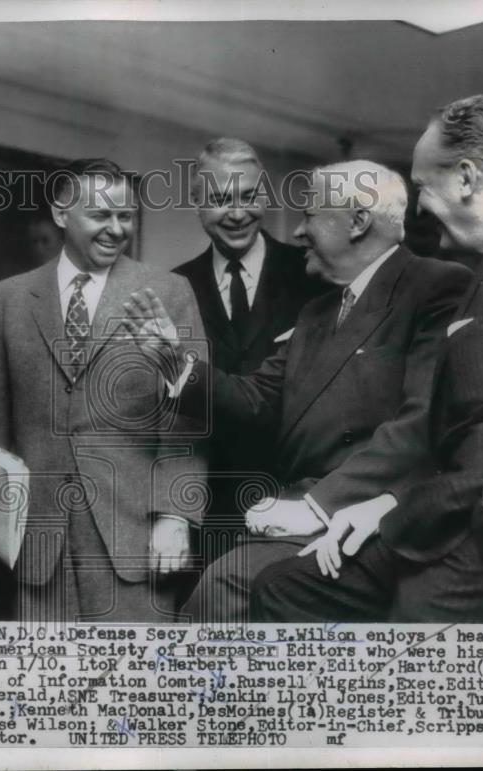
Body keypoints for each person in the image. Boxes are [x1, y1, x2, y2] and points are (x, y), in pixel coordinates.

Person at [254, 94, 483, 623]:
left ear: (466, 178)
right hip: (449, 517)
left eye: (421, 186)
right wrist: (388, 506)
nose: (417, 207)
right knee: (289, 586)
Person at [125, 161, 472, 621]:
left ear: (357, 221)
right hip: (294, 514)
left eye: (309, 216)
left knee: (225, 592)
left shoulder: (437, 287)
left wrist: (318, 506)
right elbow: (255, 404)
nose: (298, 232)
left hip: (369, 516)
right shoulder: (316, 313)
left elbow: (421, 421)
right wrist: (173, 362)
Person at [0, 158, 207, 623]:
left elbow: (189, 419)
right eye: (100, 215)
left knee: (133, 687)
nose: (116, 229)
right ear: (61, 214)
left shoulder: (169, 292)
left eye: (125, 216)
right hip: (36, 547)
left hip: (135, 542)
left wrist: (176, 515)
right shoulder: (6, 299)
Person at [172, 138, 330, 567]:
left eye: (250, 196)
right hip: (207, 513)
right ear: (197, 203)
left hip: (299, 506)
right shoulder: (174, 287)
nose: (239, 213)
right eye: (222, 199)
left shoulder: (315, 275)